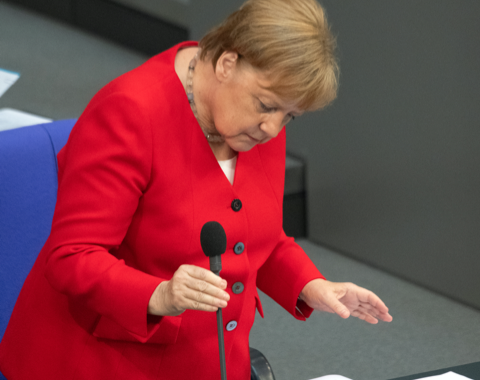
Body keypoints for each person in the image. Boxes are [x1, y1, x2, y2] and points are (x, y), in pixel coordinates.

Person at [0, 0, 392, 378]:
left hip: (211, 363)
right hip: (103, 363)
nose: (273, 129)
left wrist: (311, 285)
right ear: (227, 63)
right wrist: (161, 294)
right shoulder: (130, 114)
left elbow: (255, 233)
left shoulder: (253, 120)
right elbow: (71, 257)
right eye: (267, 106)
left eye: (290, 116)